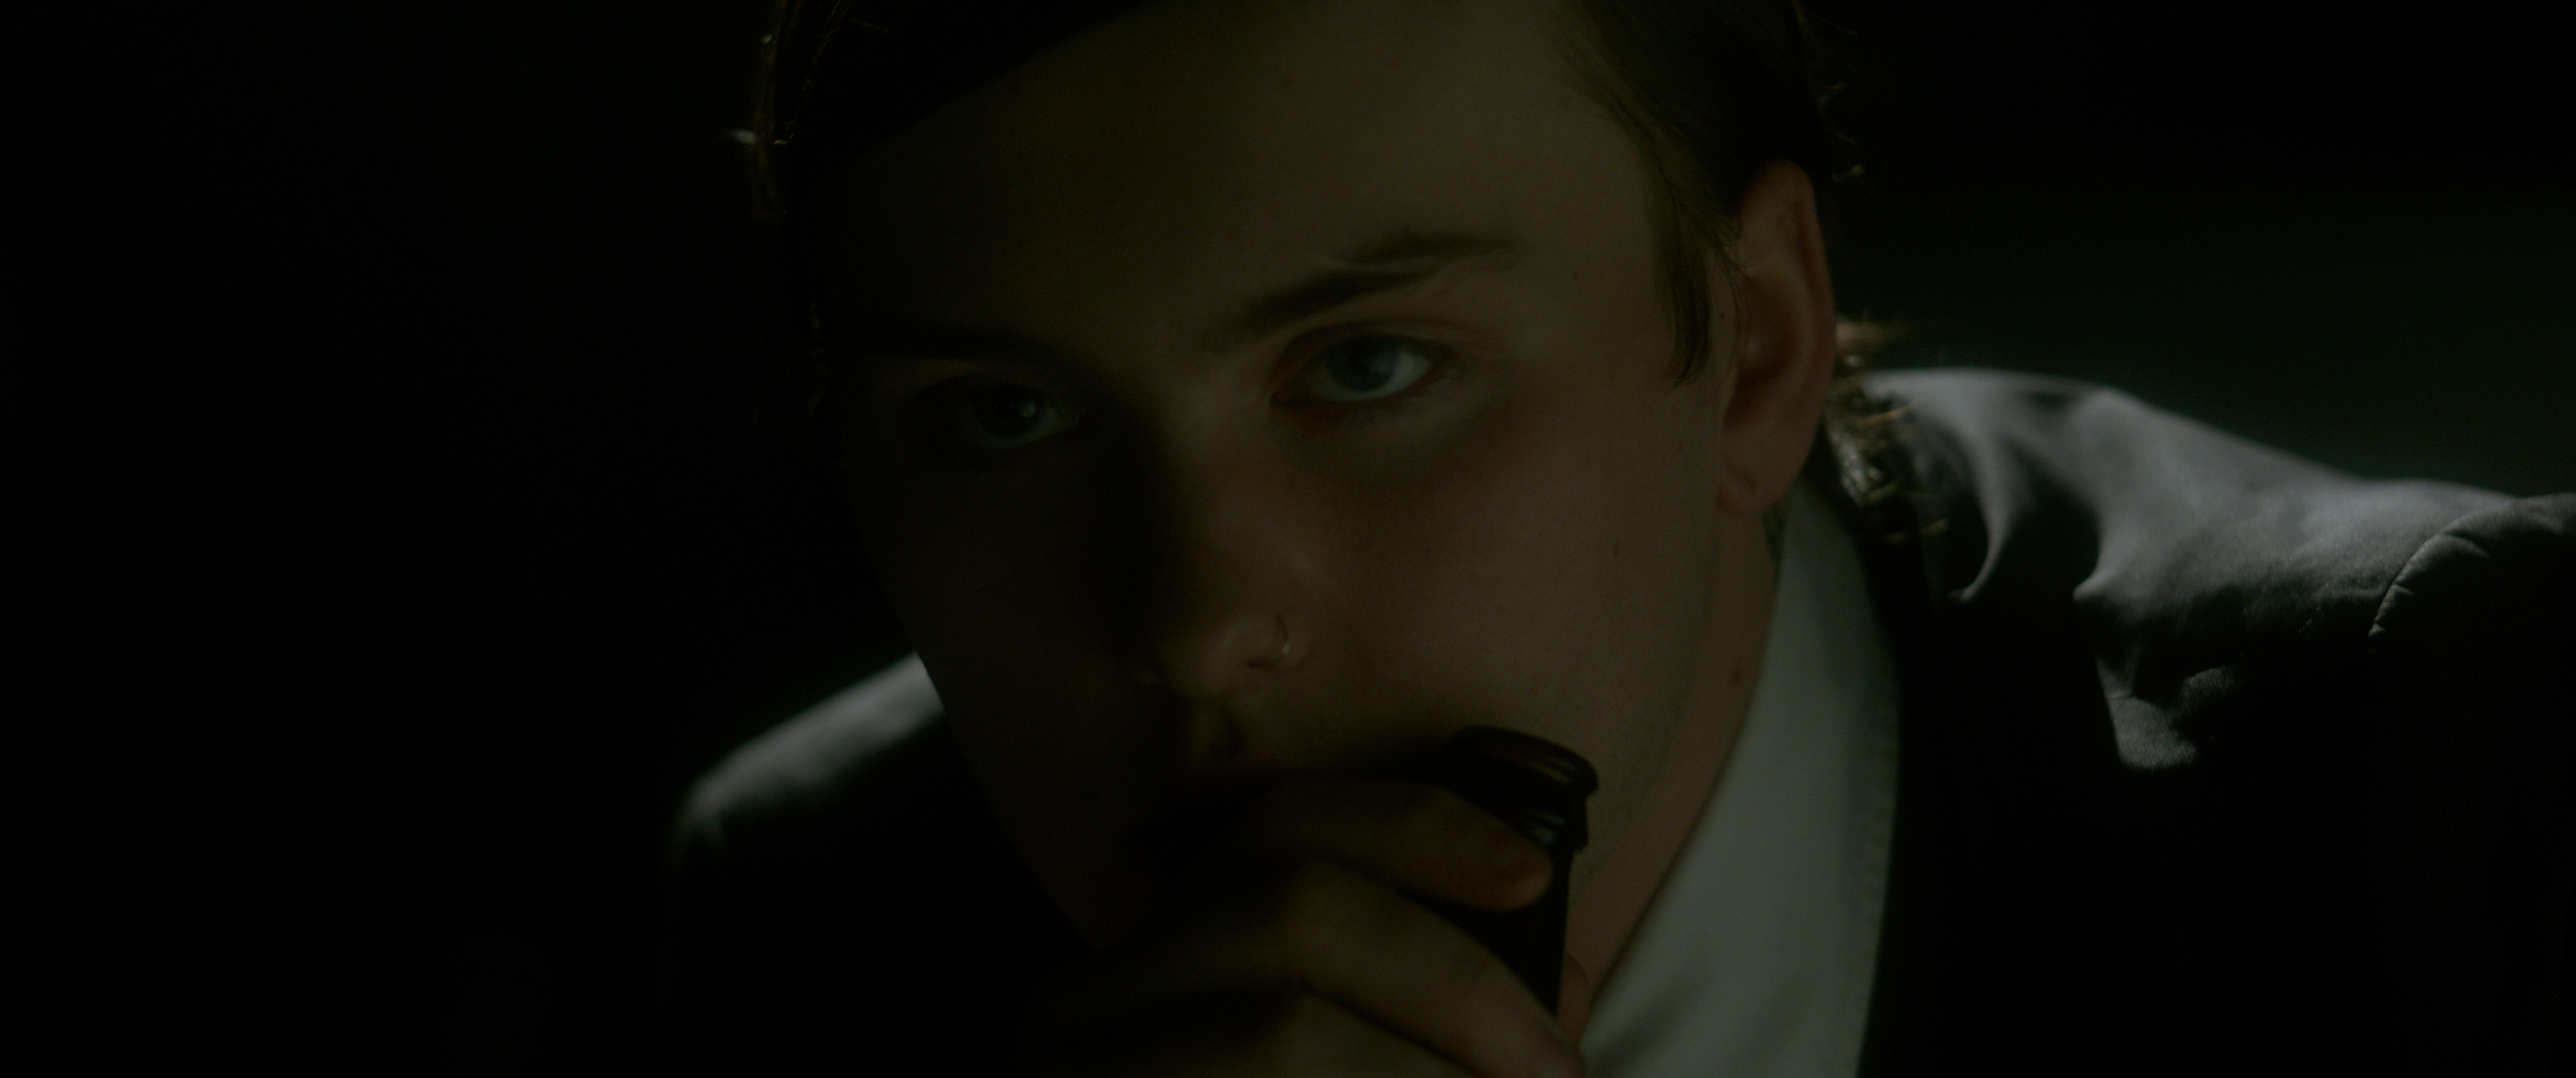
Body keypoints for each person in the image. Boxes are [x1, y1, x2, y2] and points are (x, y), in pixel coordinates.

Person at [661, 1, 2573, 1073]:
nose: (1195, 620)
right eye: (1002, 417)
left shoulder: (2466, 754)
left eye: (1370, 366)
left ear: (1758, 350)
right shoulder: (820, 925)